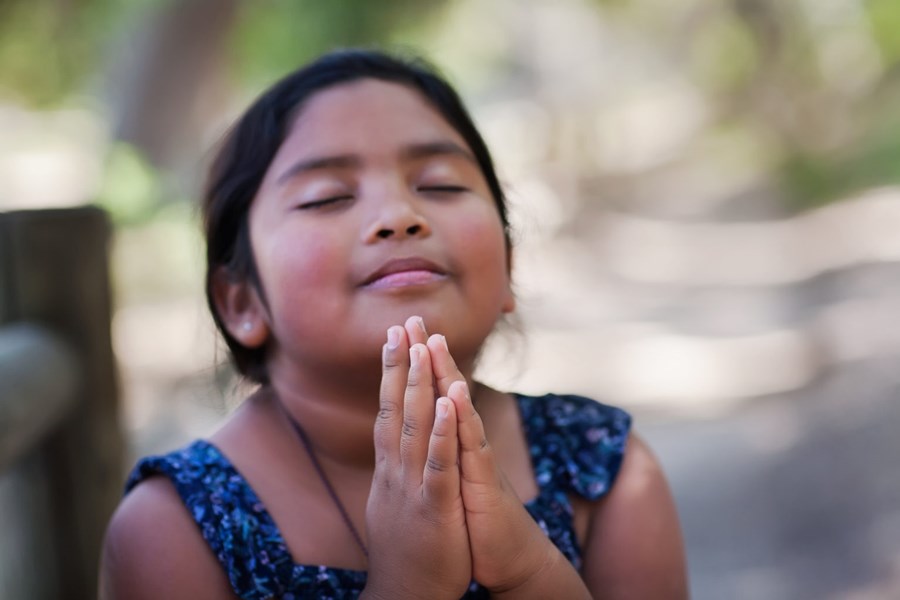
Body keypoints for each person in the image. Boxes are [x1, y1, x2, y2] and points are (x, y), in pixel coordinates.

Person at [100, 48, 687, 599]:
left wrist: (530, 573)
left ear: (507, 268)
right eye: (326, 197)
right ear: (241, 303)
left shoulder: (604, 470)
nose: (400, 216)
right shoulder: (171, 529)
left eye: (440, 185)